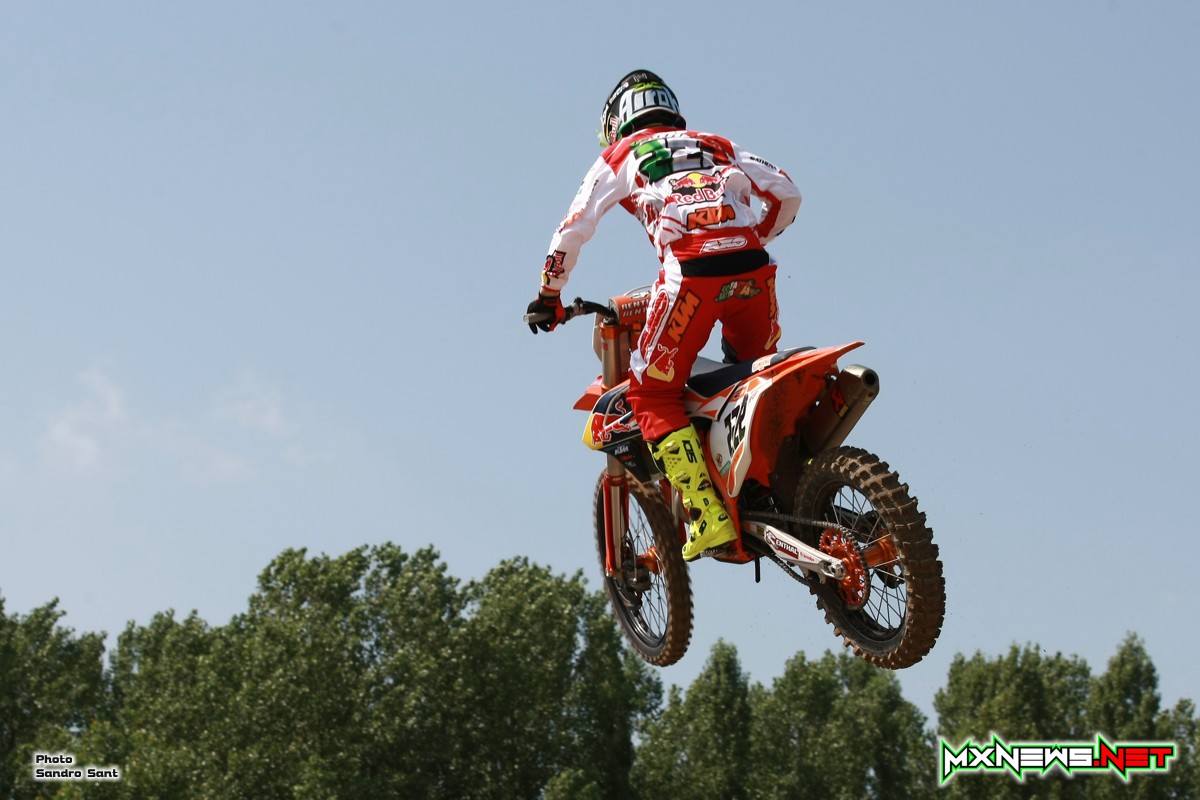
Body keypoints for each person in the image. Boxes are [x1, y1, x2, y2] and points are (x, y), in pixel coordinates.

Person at [527, 69, 802, 561]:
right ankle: (770, 490)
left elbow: (573, 229)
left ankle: (708, 514)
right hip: (754, 272)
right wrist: (752, 236)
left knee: (651, 394)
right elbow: (786, 192)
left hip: (691, 276)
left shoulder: (620, 155)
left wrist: (549, 293)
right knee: (755, 379)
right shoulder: (714, 142)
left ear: (615, 123)